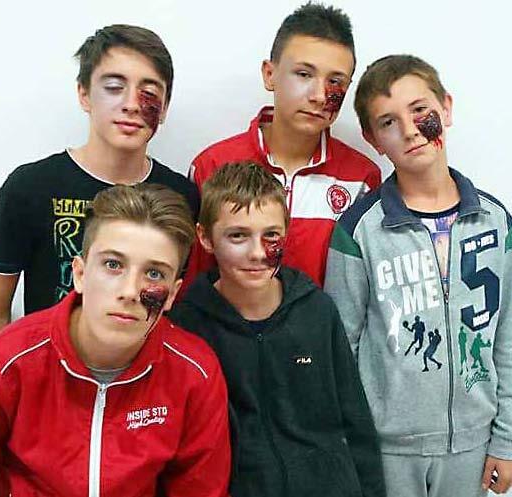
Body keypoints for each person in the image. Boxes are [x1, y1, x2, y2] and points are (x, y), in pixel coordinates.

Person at [324, 54, 512, 496]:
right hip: (386, 449)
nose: (409, 130)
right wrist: (351, 445)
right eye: (388, 122)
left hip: (473, 444)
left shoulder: (496, 221)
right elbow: (341, 348)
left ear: (446, 108)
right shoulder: (358, 231)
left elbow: (507, 334)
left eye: (420, 111)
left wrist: (506, 439)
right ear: (373, 139)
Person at [0, 184, 230, 497]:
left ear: (172, 294)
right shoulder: (9, 359)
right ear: (80, 274)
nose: (129, 291)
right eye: (113, 265)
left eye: (154, 274)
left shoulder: (195, 373)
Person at [170, 162, 385, 497]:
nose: (257, 253)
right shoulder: (186, 328)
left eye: (271, 235)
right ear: (205, 237)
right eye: (237, 236)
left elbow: (356, 422)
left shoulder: (317, 310)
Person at [0, 24, 199, 341]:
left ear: (164, 107)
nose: (132, 104)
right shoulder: (30, 187)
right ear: (84, 94)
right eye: (114, 87)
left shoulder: (182, 196)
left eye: (149, 93)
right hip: (49, 363)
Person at [184, 2, 380, 290]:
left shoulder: (361, 178)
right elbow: (195, 284)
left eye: (335, 81)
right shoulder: (212, 165)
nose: (319, 95)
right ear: (270, 74)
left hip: (322, 320)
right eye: (303, 74)